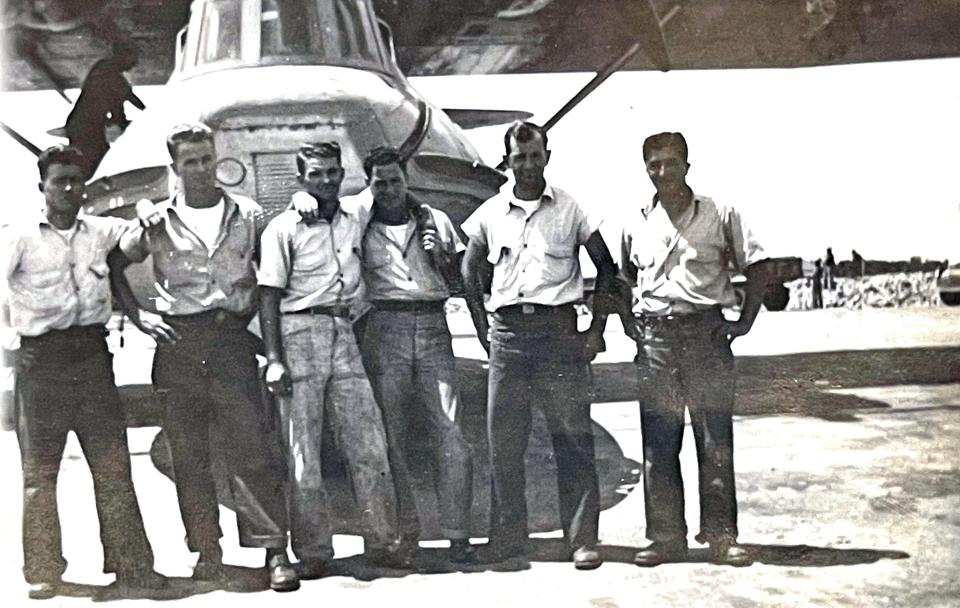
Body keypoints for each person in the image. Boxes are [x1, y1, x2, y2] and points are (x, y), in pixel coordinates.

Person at [110, 124, 298, 591]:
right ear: (175, 168)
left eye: (205, 159)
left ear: (216, 161)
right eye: (189, 161)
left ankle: (275, 550)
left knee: (252, 447)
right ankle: (206, 553)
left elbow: (274, 272)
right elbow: (116, 264)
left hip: (231, 342)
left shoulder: (247, 214)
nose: (199, 169)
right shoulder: (157, 223)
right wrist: (139, 317)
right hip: (179, 344)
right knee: (190, 456)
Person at [1, 145, 164, 599]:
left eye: (77, 180)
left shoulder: (100, 230)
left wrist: (148, 210)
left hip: (92, 357)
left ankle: (133, 567)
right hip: (41, 362)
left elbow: (135, 239)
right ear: (43, 189)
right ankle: (43, 571)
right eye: (61, 181)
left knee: (113, 468)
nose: (71, 189)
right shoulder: (18, 236)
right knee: (39, 475)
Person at [461, 121, 618, 570]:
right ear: (507, 160)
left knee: (571, 438)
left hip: (559, 336)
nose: (527, 165)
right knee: (503, 443)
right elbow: (470, 272)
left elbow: (606, 268)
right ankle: (509, 539)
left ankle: (581, 540)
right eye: (518, 158)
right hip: (509, 337)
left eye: (534, 156)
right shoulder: (490, 213)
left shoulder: (571, 209)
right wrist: (480, 328)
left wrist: (596, 329)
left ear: (547, 155)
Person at [258, 142, 407, 574]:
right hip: (298, 330)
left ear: (343, 175)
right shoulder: (282, 229)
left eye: (332, 173)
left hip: (344, 330)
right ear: (301, 178)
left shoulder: (354, 216)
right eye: (316, 174)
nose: (325, 181)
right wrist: (274, 358)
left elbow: (390, 189)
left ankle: (383, 541)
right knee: (303, 450)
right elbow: (268, 295)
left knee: (368, 442)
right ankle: (314, 551)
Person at [621, 132, 768, 567]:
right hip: (657, 340)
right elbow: (624, 279)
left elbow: (758, 266)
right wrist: (635, 327)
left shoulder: (721, 214)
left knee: (714, 439)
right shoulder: (636, 220)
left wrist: (743, 322)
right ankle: (666, 538)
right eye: (654, 165)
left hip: (706, 336)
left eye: (671, 163)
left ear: (687, 165)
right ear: (646, 169)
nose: (663, 172)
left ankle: (722, 537)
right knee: (659, 444)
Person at [357, 147, 477, 563]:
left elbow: (460, 282)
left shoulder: (435, 220)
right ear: (369, 185)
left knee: (451, 432)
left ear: (406, 179)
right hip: (385, 326)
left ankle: (458, 533)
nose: (389, 189)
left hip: (431, 325)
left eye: (395, 180)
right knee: (393, 436)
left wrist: (440, 258)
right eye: (380, 182)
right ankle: (405, 533)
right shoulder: (361, 224)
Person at [64, 41, 146, 179]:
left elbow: (117, 107)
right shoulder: (109, 71)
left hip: (83, 124)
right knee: (92, 165)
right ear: (122, 56)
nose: (134, 63)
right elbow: (128, 97)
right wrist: (149, 113)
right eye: (133, 59)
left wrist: (122, 122)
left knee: (95, 162)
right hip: (84, 126)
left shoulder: (105, 68)